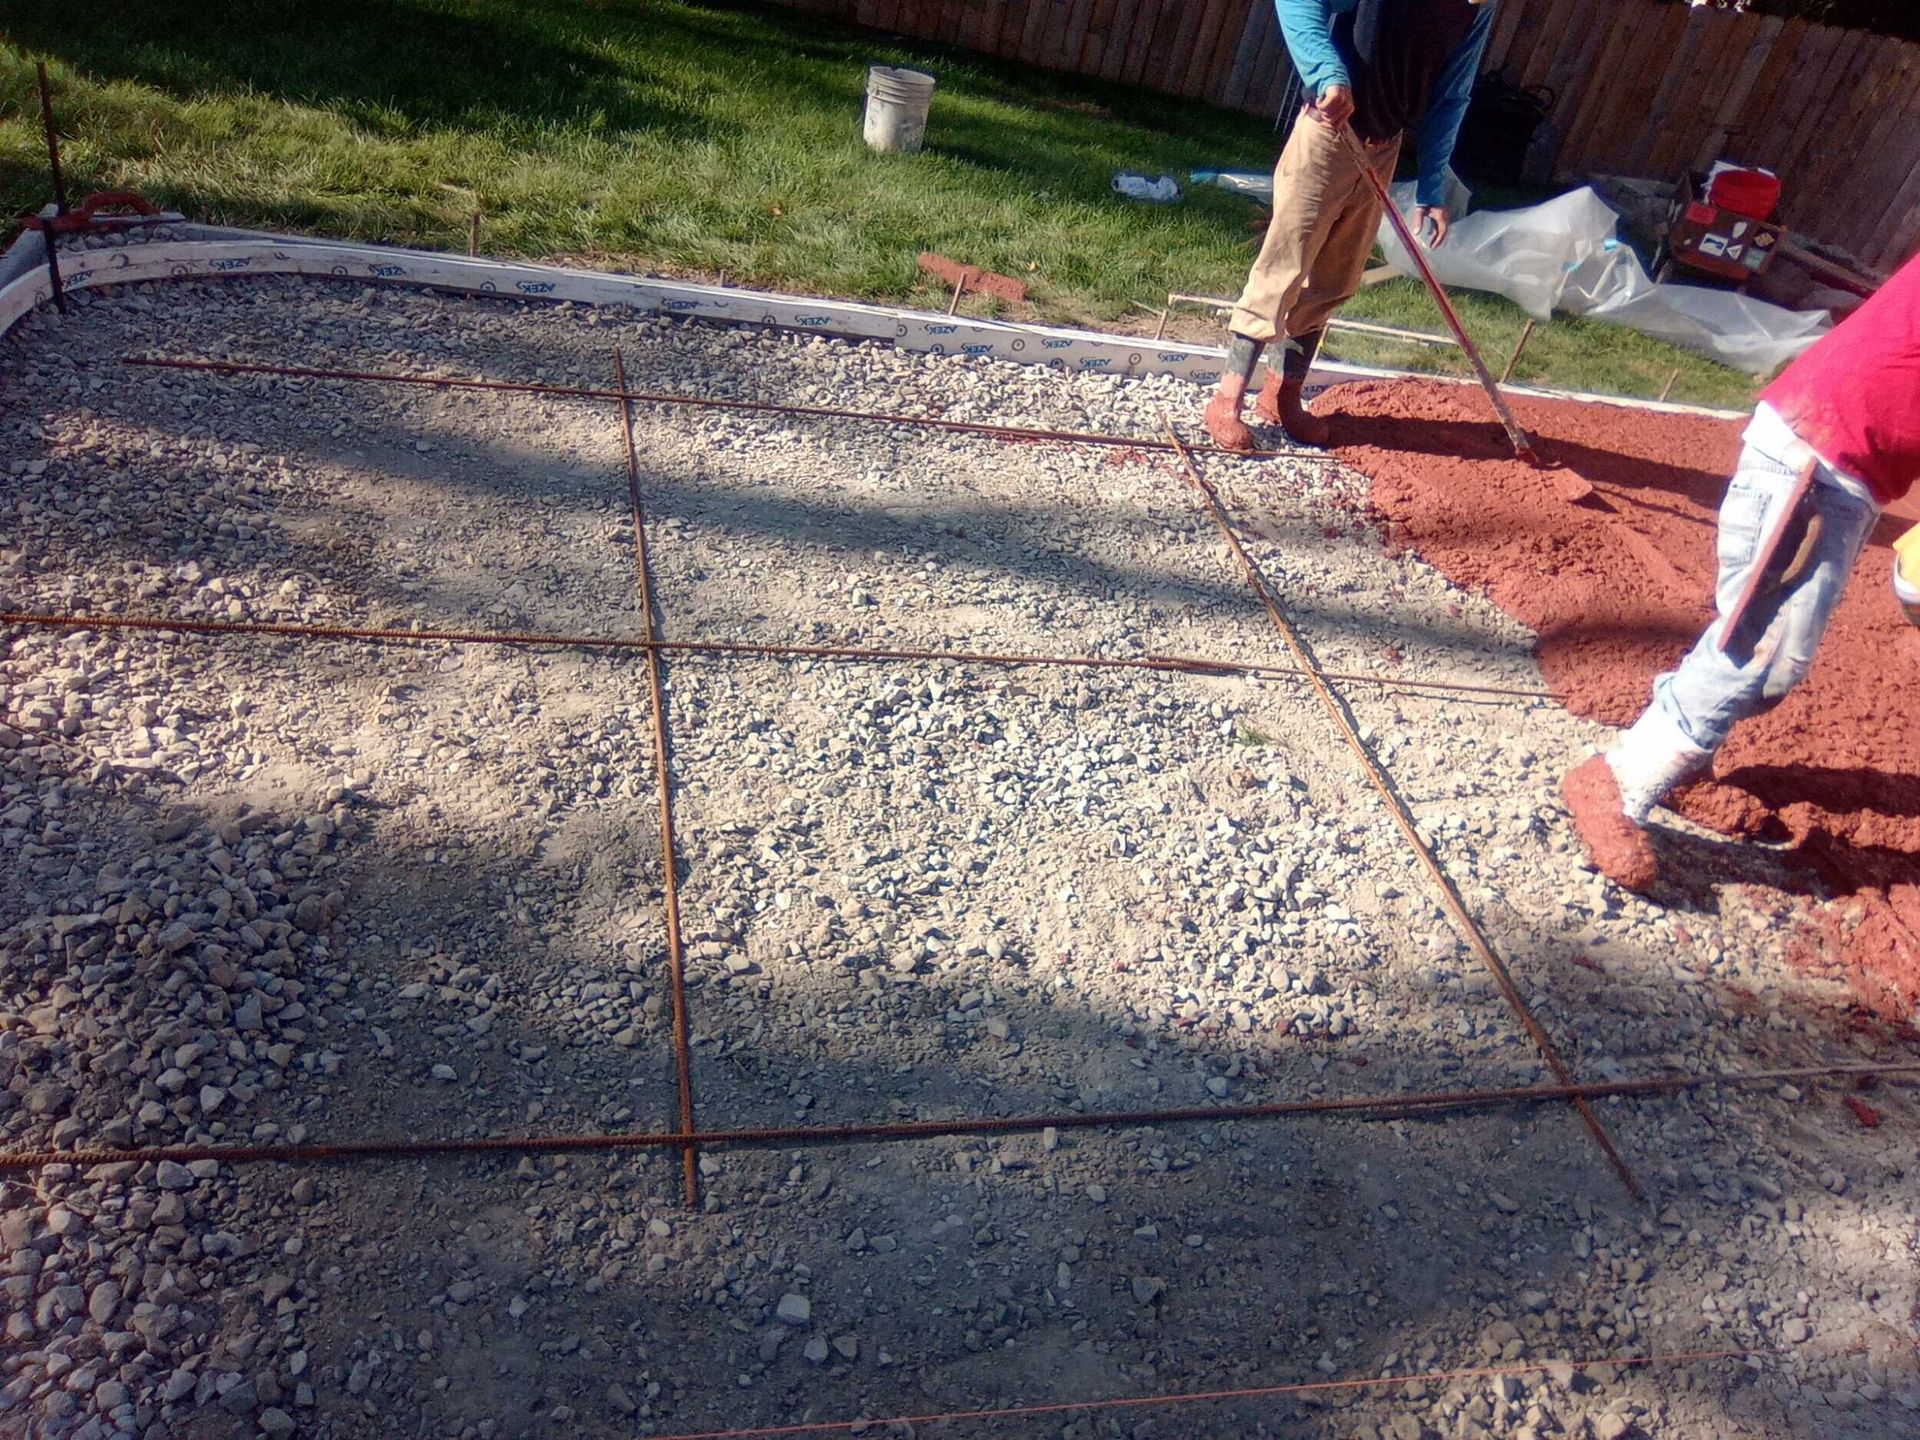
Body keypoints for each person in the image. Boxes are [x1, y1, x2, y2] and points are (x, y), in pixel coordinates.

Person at [1564, 252, 1920, 892]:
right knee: (1759, 645)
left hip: (1851, 473)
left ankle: (1681, 751)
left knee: (1776, 665)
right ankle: (1619, 778)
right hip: (1814, 455)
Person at [1204, 0, 1498, 452]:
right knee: (1283, 268)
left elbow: (1451, 95)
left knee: (1335, 279)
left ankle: (1282, 396)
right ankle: (1228, 399)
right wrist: (1327, 73)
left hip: (1383, 149)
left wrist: (1432, 187)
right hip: (1327, 134)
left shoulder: (1478, 9)